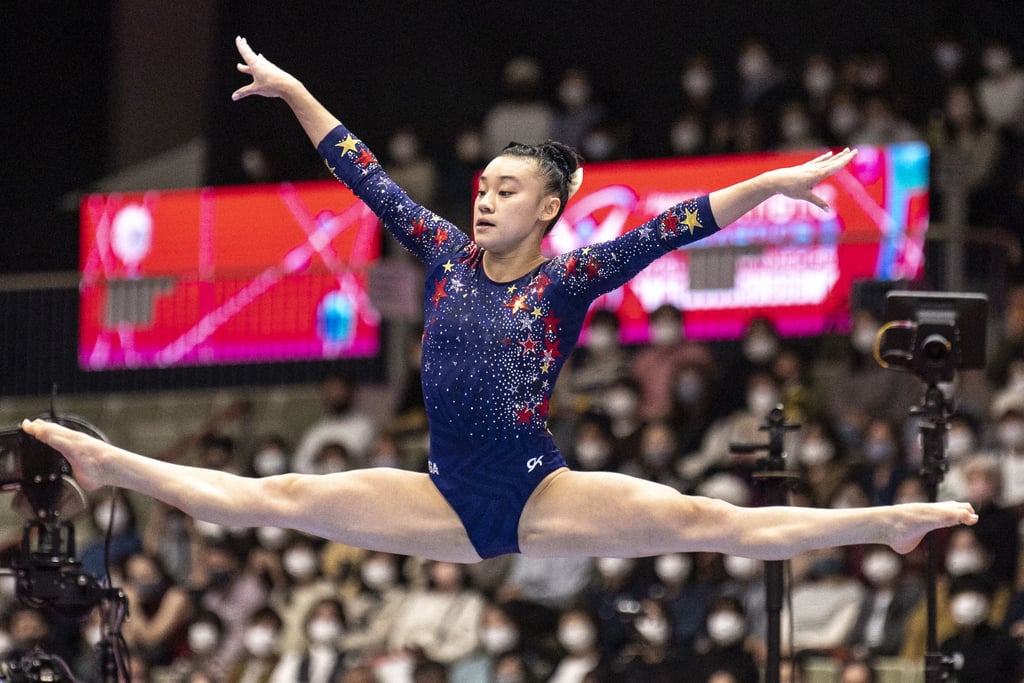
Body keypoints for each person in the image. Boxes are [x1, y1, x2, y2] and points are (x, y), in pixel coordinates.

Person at [23, 37, 978, 570]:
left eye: (506, 189)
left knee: (711, 519)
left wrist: (771, 183)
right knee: (272, 501)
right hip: (440, 495)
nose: (482, 196)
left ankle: (883, 523)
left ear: (551, 207)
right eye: (481, 184)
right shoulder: (444, 254)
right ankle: (110, 466)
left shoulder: (567, 280)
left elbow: (677, 224)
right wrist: (297, 91)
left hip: (537, 493)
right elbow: (362, 175)